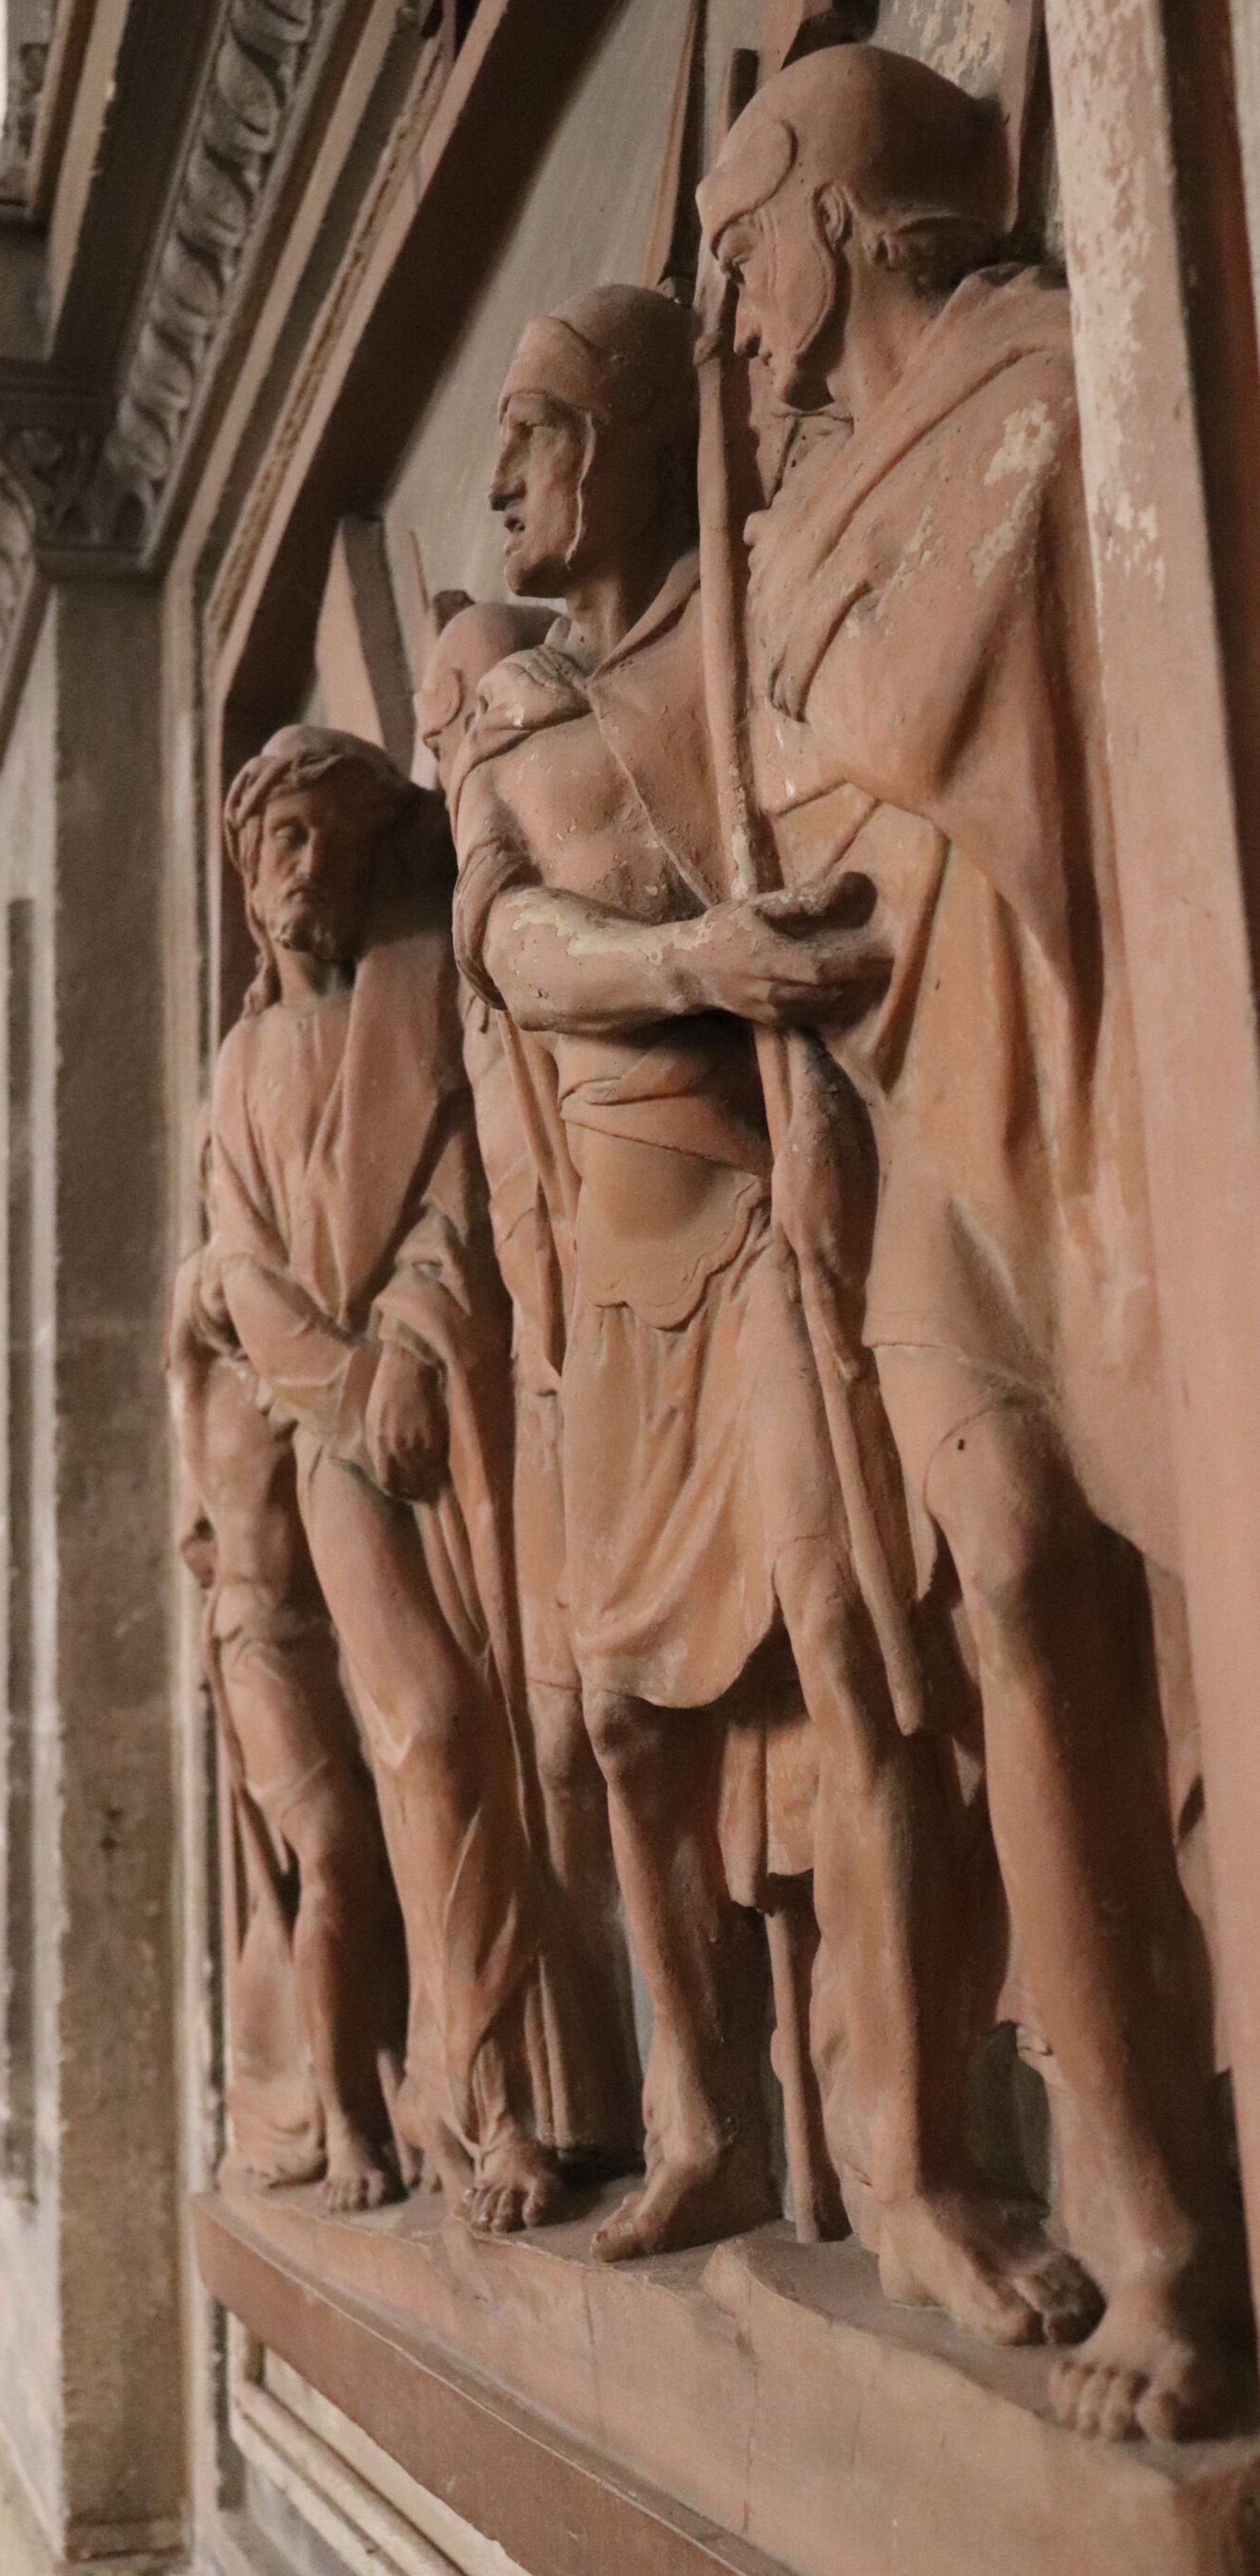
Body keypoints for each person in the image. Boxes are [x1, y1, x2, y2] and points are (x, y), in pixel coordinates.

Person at [451, 280, 1093, 2344]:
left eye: (539, 424)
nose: (500, 475)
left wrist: (779, 949)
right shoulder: (507, 706)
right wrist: (691, 961)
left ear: (644, 430)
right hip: (605, 1287)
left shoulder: (762, 615)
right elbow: (518, 948)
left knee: (862, 1656)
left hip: (773, 1221)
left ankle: (916, 2165)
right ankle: (707, 2121)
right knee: (631, 1720)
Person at [698, 40, 1243, 2441]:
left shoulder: (1036, 375)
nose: (728, 312)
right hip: (915, 1109)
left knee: (1156, 1573)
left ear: (841, 215)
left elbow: (918, 718)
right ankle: (1154, 2233)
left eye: (742, 247)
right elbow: (812, 759)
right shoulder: (801, 510)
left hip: (1074, 1038)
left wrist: (815, 802)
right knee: (1005, 1589)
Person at [208, 724, 598, 2229]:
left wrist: (418, 1341)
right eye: (274, 847)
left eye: (320, 837)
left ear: (374, 848)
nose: (299, 870)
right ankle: (479, 2102)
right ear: (249, 880)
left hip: (459, 1408)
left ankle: (540, 2091)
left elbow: (458, 1196)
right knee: (430, 1734)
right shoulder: (241, 1069)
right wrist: (351, 1385)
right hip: (338, 1447)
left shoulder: (417, 1000)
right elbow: (242, 1278)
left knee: (521, 1732)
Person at [416, 595, 643, 2175]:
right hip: (539, 1373)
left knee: (629, 1719)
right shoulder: (463, 910)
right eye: (441, 714)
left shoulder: (564, 811)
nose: (457, 735)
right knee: (565, 1736)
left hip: (632, 1299)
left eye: (471, 702)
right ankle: (605, 2098)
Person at [168, 1135, 404, 2212]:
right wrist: (228, 1280)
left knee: (392, 1854)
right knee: (335, 1853)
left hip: (344, 1631)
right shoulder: (208, 1339)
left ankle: (399, 2081)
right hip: (260, 1642)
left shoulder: (312, 1328)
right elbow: (191, 1315)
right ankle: (348, 2116)